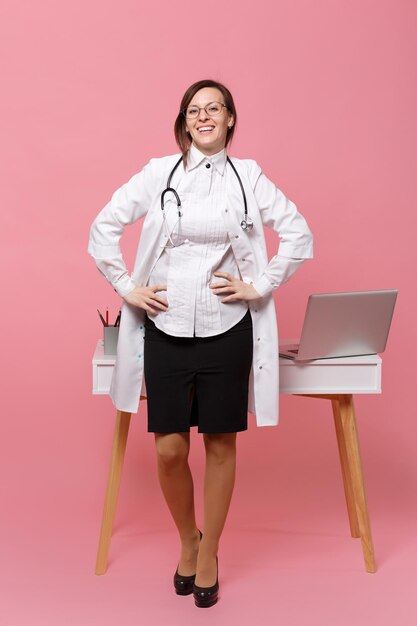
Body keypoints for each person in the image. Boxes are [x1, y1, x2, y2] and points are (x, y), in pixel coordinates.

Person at [88, 79, 313, 607]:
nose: (204, 116)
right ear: (185, 122)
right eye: (195, 109)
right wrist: (127, 287)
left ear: (231, 119)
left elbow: (298, 232)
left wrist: (258, 285)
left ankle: (208, 550)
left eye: (215, 108)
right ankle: (187, 535)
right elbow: (102, 229)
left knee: (219, 444)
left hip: (227, 327)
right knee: (169, 449)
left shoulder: (248, 176)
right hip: (164, 327)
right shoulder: (156, 174)